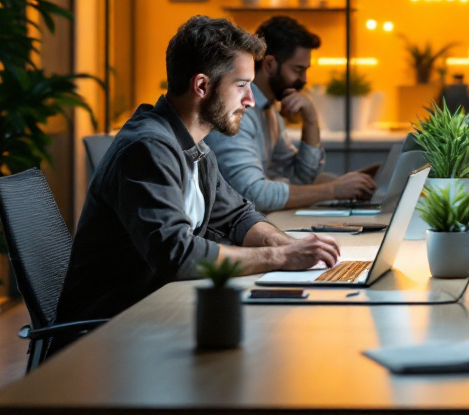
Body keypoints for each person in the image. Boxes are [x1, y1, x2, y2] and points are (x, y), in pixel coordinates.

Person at [57, 16, 340, 325]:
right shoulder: (148, 147)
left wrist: (292, 246)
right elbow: (177, 254)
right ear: (202, 85)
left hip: (159, 312)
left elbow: (238, 216)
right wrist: (280, 257)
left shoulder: (195, 145)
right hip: (109, 333)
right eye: (242, 86)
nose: (249, 100)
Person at [204, 16, 376, 212]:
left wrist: (311, 121)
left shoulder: (269, 112)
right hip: (225, 237)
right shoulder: (236, 112)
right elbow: (253, 193)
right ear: (269, 65)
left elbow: (301, 177)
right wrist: (333, 190)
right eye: (297, 70)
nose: (303, 80)